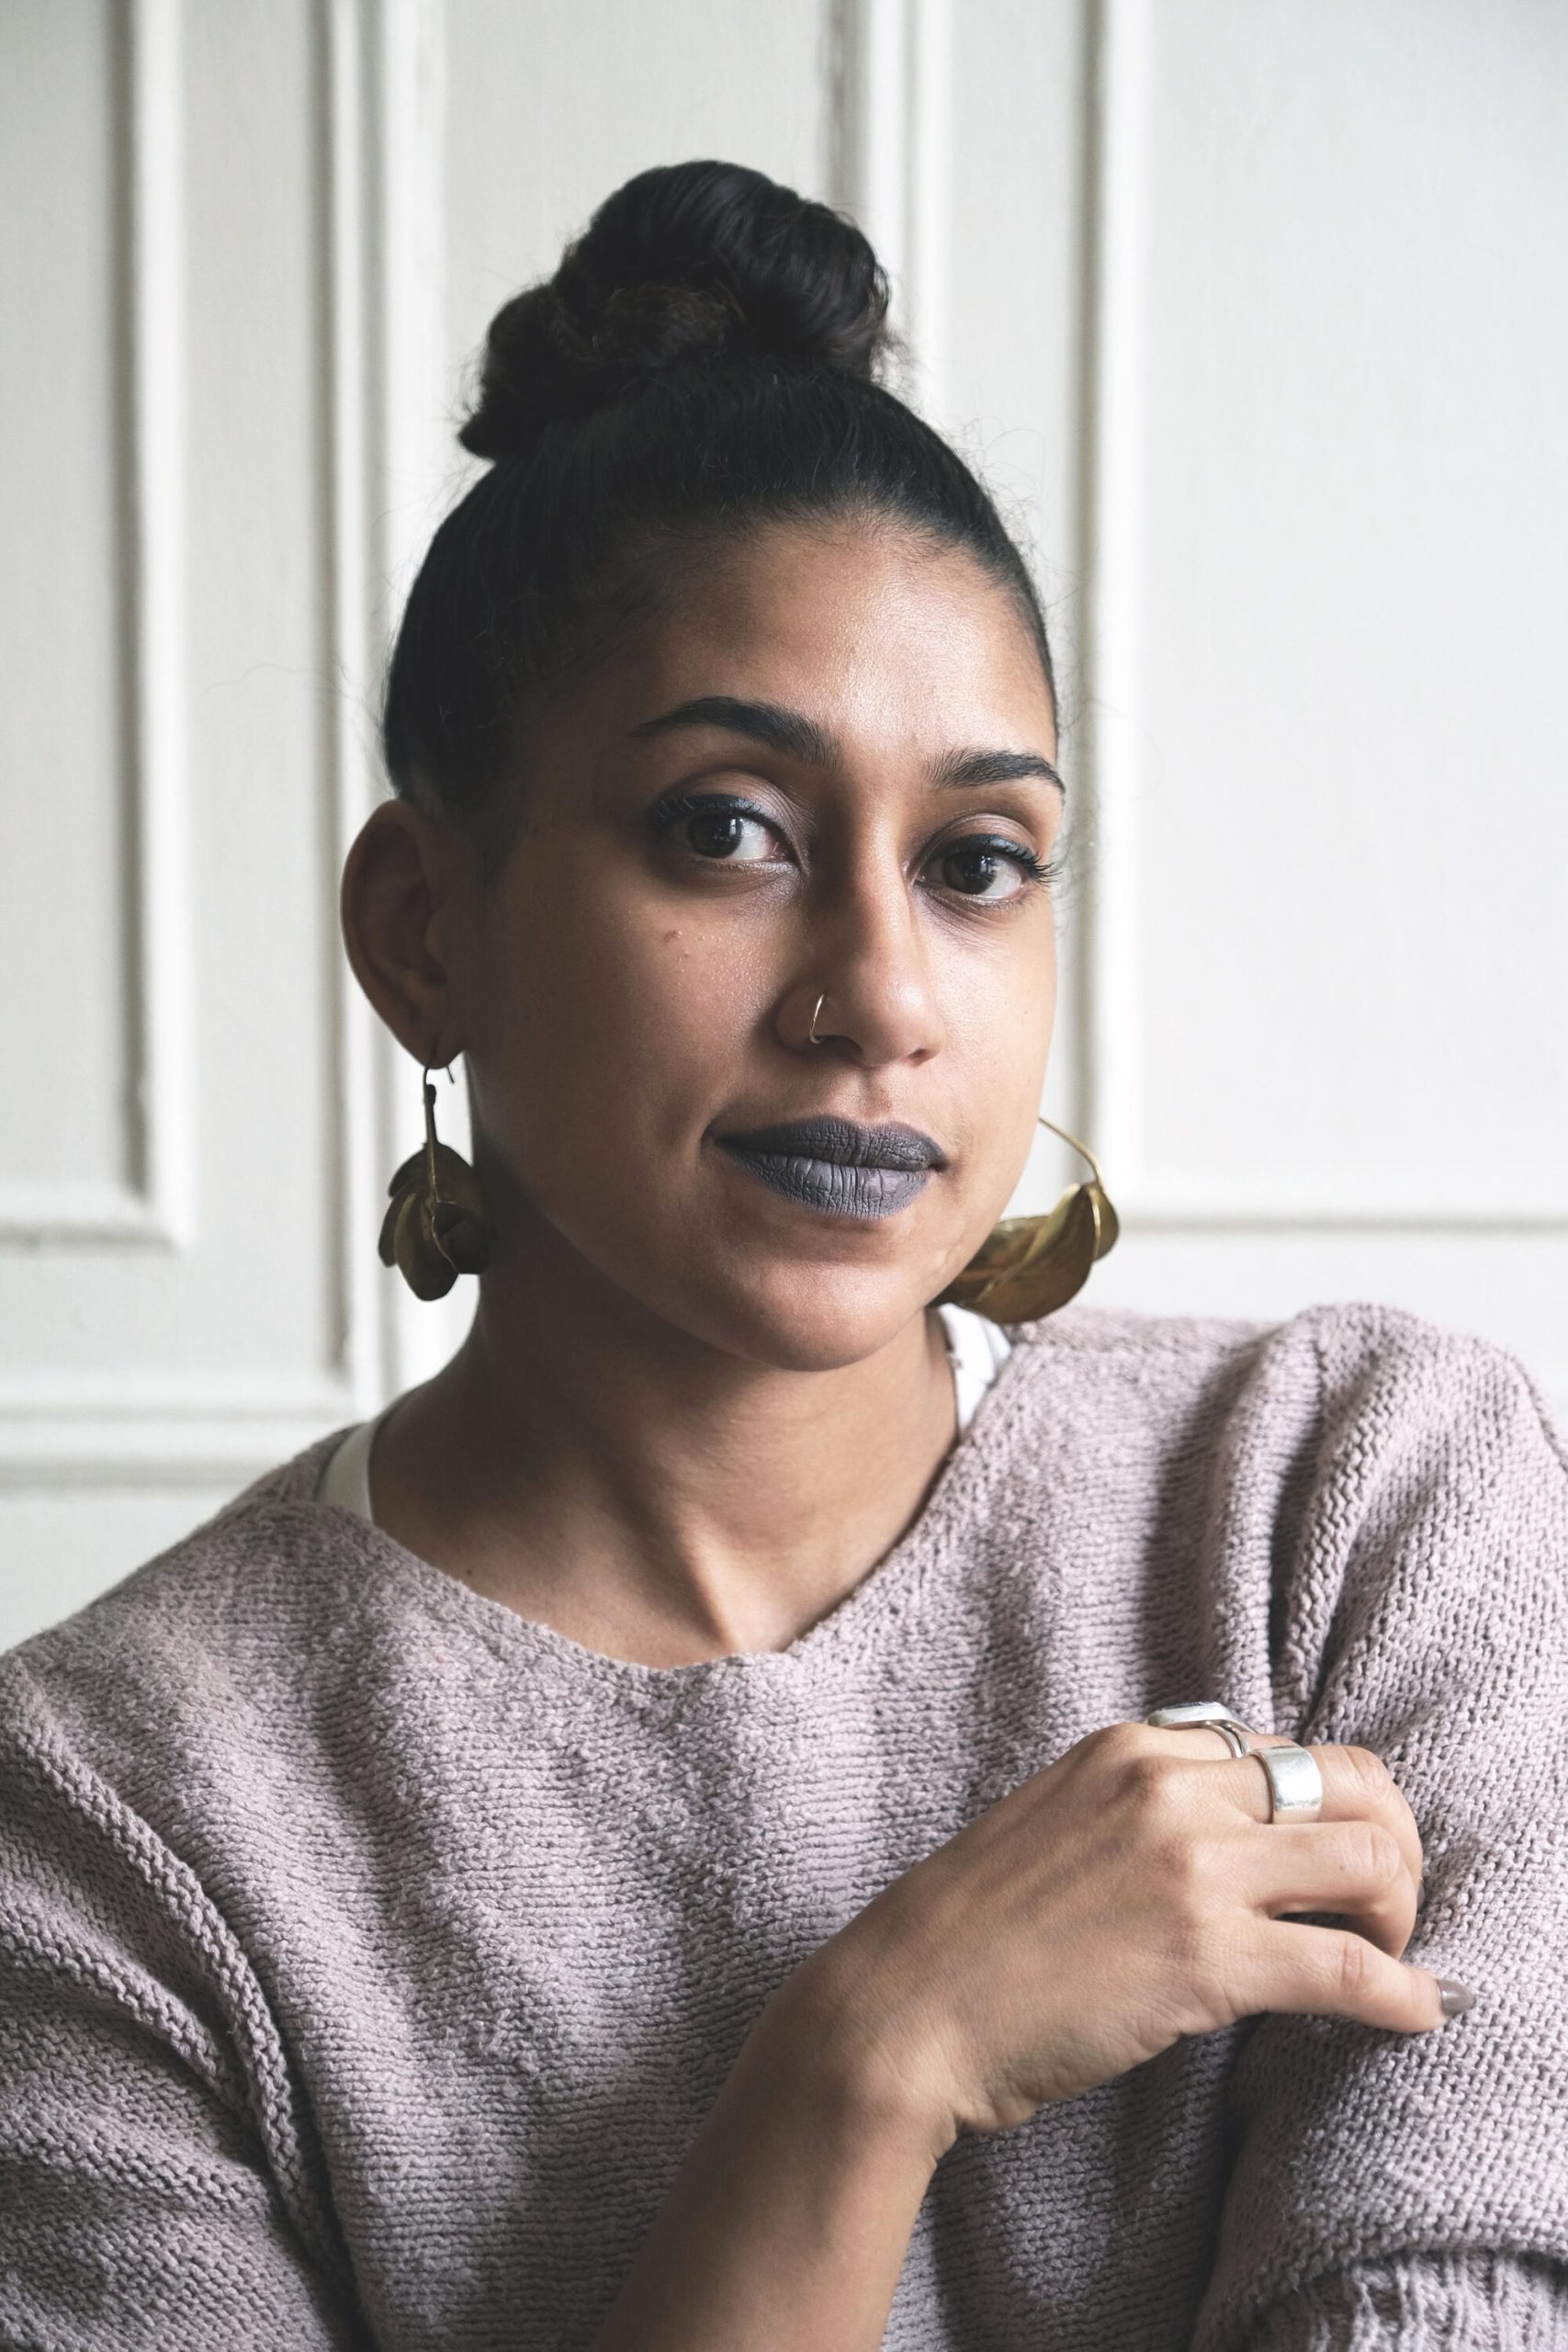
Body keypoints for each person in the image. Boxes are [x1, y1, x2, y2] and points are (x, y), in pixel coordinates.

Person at [2, 159, 1565, 2352]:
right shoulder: (108, 1833)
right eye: (723, 826)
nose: (880, 991)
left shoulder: (1355, 1503)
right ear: (422, 926)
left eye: (977, 859)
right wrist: (868, 2062)